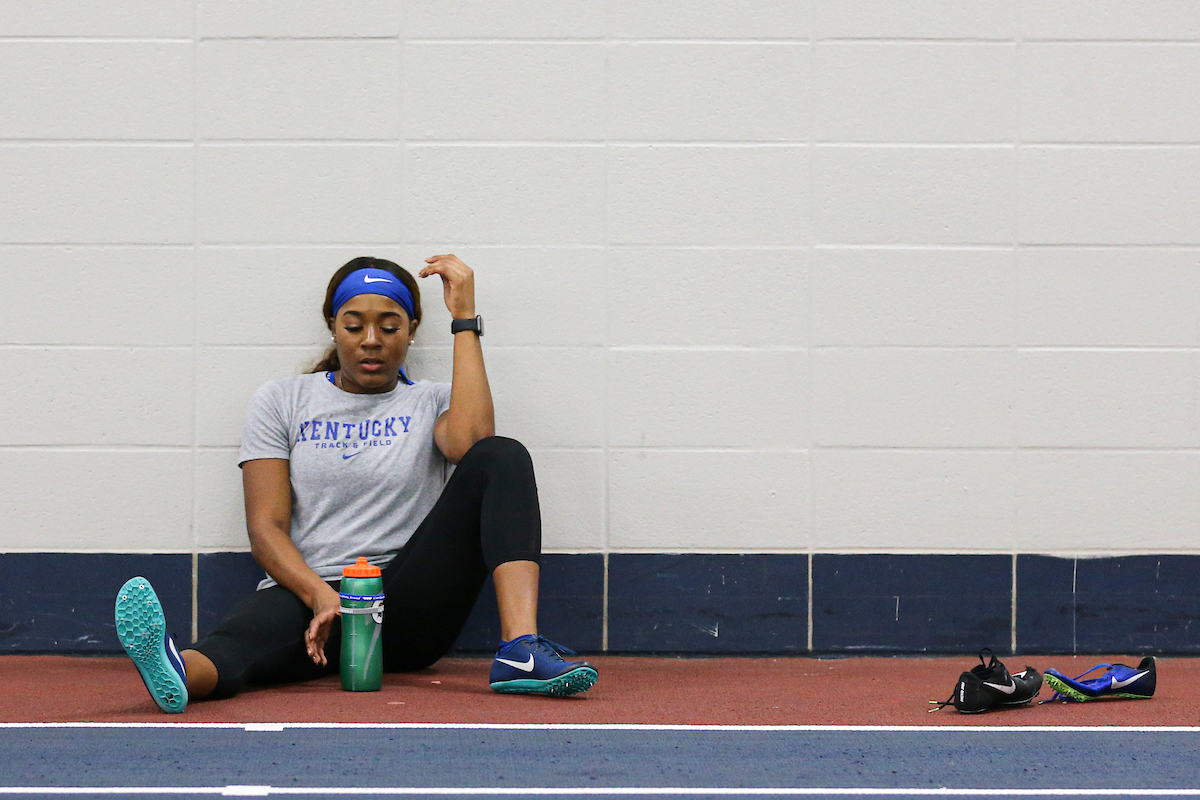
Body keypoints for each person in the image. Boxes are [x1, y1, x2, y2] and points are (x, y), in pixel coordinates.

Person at [114, 255, 597, 713]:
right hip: (313, 595)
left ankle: (520, 651)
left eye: (389, 327)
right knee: (238, 644)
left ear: (410, 333)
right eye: (354, 326)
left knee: (501, 455)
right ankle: (177, 672)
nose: (371, 340)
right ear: (332, 327)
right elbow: (266, 528)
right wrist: (324, 599)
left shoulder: (432, 402)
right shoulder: (283, 400)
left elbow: (472, 442)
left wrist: (465, 317)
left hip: (404, 609)